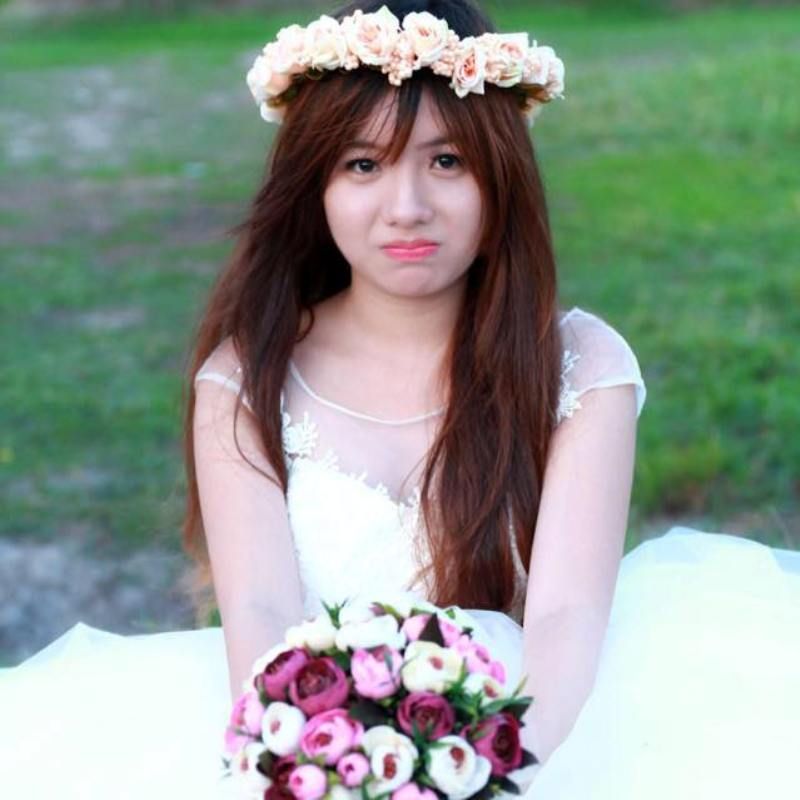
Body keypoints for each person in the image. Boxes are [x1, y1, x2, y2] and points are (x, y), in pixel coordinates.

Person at [1, 2, 798, 799]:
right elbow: (260, 611)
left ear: (500, 175)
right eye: (363, 165)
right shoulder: (248, 378)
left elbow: (565, 616)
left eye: (447, 161)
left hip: (542, 730)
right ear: (315, 184)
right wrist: (318, 769)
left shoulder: (580, 368)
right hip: (311, 745)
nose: (407, 206)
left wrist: (488, 774)